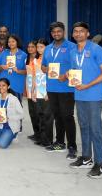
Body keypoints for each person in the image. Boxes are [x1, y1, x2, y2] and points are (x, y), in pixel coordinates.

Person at [68, 22, 102, 179]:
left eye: (81, 31)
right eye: (76, 31)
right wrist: (67, 75)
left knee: (95, 129)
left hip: (93, 95)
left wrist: (88, 85)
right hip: (79, 95)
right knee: (84, 126)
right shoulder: (73, 51)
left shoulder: (96, 49)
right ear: (72, 34)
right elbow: (75, 70)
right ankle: (86, 157)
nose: (78, 34)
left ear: (88, 33)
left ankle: (100, 164)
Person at [41, 22, 77, 158]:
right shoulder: (48, 48)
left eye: (59, 31)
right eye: (54, 32)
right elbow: (44, 66)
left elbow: (77, 66)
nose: (56, 34)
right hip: (51, 87)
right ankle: (60, 142)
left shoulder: (72, 47)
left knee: (67, 116)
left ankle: (72, 146)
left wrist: (66, 75)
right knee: (57, 117)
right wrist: (45, 69)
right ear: (51, 34)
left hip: (67, 88)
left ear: (64, 32)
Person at [0, 78, 24, 149]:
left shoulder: (14, 99)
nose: (1, 87)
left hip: (10, 126)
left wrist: (9, 118)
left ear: (8, 87)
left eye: (4, 85)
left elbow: (22, 115)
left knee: (2, 145)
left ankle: (14, 135)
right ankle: (3, 134)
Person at [0, 35, 27, 101]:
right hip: (4, 85)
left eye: (13, 41)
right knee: (3, 108)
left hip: (17, 85)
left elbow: (27, 71)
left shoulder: (23, 55)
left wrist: (18, 71)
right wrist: (2, 67)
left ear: (17, 42)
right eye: (9, 42)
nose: (11, 43)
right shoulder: (4, 53)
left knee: (16, 108)